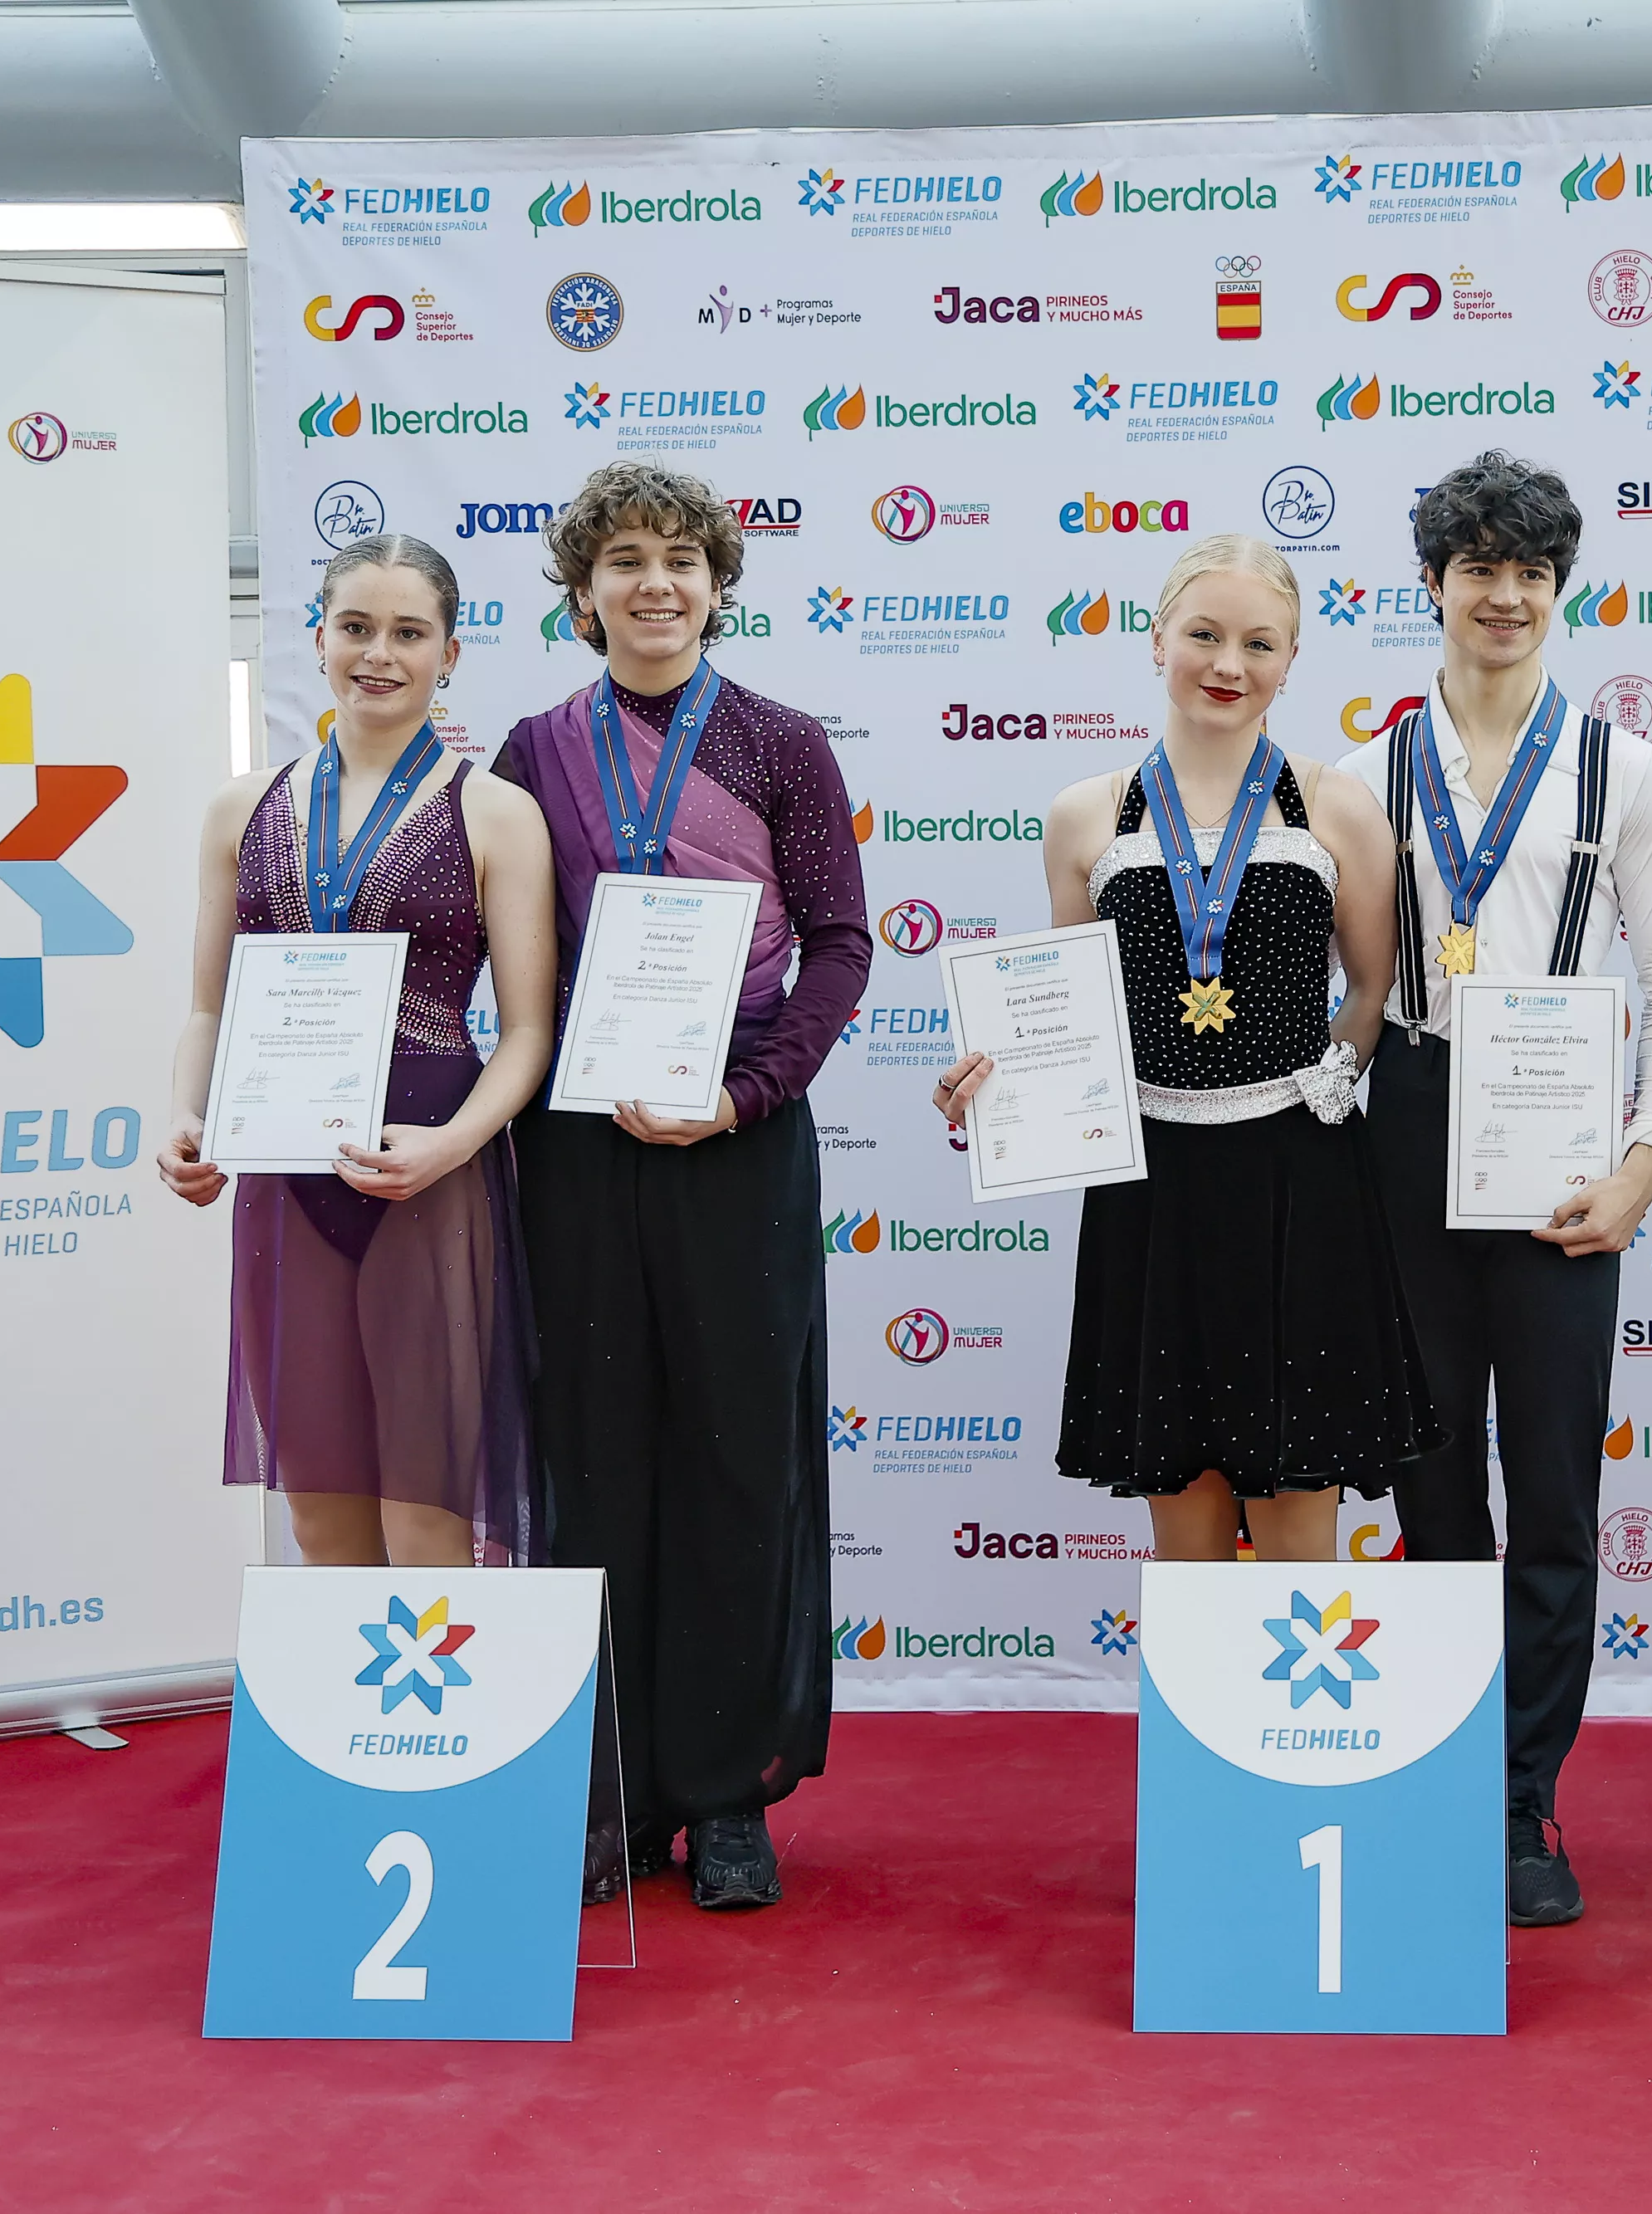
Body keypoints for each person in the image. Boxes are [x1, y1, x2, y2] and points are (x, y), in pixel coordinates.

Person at [1332, 452, 1652, 1928]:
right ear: (1432, 583)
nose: (1504, 595)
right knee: (1431, 1488)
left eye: (1531, 573)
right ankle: (1440, 1774)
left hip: (1561, 1136)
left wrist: (1642, 1162)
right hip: (1409, 1121)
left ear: (1562, 590)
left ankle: (1522, 1800)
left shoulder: (1627, 768)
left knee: (1553, 1490)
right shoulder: (1364, 772)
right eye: (1477, 568)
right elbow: (1342, 1001)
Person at [495, 461, 872, 1912]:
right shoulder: (533, 752)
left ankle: (725, 1796)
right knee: (591, 1457)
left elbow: (838, 946)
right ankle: (606, 1789)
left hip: (735, 1134)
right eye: (625, 561)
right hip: (581, 1146)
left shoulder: (780, 743)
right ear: (582, 591)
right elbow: (510, 951)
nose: (655, 584)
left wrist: (746, 1092)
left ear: (721, 580)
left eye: (680, 559)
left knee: (734, 1459)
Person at [933, 535, 1430, 1560]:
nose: (1227, 663)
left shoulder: (1337, 805)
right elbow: (1067, 1018)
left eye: (1259, 642)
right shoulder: (1084, 815)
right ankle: (1201, 1720)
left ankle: (1302, 1718)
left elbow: (1373, 988)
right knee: (1186, 1498)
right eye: (1202, 634)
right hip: (1151, 1186)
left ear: (1292, 661)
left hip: (1302, 1184)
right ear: (1156, 640)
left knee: (1299, 1498)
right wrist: (998, 1083)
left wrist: (1322, 1089)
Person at [156, 533, 557, 1570]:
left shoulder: (499, 813)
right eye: (357, 628)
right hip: (283, 1181)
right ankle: (351, 1738)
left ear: (451, 654)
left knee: (427, 1511)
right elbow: (208, 1009)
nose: (380, 654)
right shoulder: (239, 808)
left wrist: (453, 1146)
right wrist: (186, 1118)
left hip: (426, 1179)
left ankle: (448, 1735)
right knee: (320, 1510)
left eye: (409, 633)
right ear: (318, 638)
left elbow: (526, 1033)